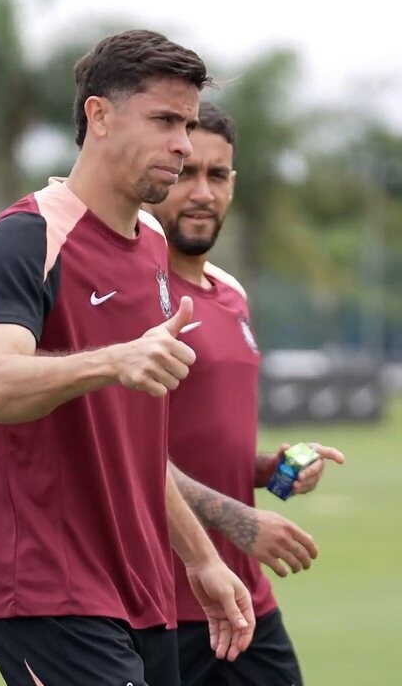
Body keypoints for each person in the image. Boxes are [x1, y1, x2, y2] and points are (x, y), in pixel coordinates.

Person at [0, 31, 255, 686]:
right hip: (49, 593)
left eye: (186, 123)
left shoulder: (152, 242)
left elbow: (136, 448)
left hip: (143, 594)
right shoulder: (28, 235)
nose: (182, 144)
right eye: (164, 121)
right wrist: (112, 361)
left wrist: (202, 560)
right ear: (98, 116)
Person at [143, 102, 346, 686]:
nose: (202, 191)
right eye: (186, 173)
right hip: (159, 605)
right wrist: (239, 522)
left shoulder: (230, 294)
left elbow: (201, 439)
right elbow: (125, 454)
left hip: (245, 603)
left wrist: (267, 469)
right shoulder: (134, 295)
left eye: (219, 175)